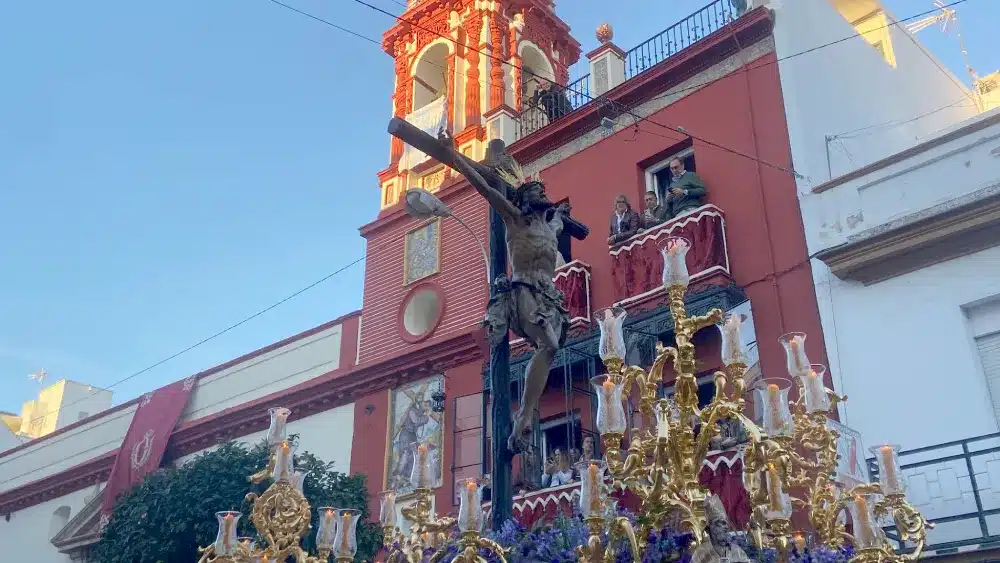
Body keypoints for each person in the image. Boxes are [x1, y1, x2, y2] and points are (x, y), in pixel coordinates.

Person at [440, 130, 572, 453]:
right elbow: (485, 187)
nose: (541, 193)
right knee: (549, 343)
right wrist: (453, 157)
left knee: (552, 348)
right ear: (524, 198)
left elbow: (559, 220)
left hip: (548, 297)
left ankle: (526, 417)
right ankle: (524, 414)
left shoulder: (551, 226)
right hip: (523, 290)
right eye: (535, 190)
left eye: (542, 190)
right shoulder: (515, 220)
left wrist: (563, 216)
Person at [691, 495, 751, 563]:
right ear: (709, 529)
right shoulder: (701, 553)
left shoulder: (737, 551)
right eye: (718, 523)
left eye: (725, 523)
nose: (725, 527)